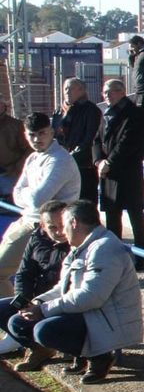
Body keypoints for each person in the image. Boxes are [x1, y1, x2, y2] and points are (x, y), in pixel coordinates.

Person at [7, 200, 143, 382]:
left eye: (64, 226)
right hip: (88, 313)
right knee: (18, 321)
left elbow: (91, 297)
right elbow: (62, 288)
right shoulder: (81, 246)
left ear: (74, 223)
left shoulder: (105, 248)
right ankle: (76, 353)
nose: (62, 232)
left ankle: (100, 357)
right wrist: (37, 303)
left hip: (105, 319)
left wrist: (43, 310)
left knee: (44, 330)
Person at [0, 114, 81, 281]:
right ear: (25, 134)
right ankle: (16, 306)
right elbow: (16, 194)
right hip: (30, 221)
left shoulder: (60, 160)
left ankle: (11, 307)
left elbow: (38, 200)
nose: (36, 139)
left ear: (52, 132)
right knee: (23, 279)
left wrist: (27, 194)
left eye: (42, 133)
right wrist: (29, 196)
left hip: (50, 228)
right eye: (32, 134)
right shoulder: (33, 158)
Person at [0, 200, 71, 357]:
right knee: (5, 309)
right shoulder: (36, 238)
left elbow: (71, 288)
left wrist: (39, 304)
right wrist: (23, 300)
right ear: (43, 226)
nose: (60, 232)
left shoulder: (77, 244)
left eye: (62, 225)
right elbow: (24, 273)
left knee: (28, 324)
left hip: (59, 301)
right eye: (53, 227)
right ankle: (38, 349)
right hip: (37, 298)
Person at [93, 78, 144, 262]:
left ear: (122, 92)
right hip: (109, 172)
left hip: (128, 171)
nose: (107, 96)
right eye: (104, 93)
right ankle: (114, 257)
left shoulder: (135, 114)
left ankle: (142, 257)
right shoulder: (106, 114)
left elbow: (128, 143)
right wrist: (99, 161)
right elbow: (96, 140)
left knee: (135, 213)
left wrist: (109, 162)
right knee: (112, 214)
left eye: (110, 92)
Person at [56, 77, 101, 204]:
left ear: (81, 90)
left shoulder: (91, 110)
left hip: (83, 165)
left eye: (70, 88)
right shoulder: (59, 111)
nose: (66, 91)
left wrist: (70, 157)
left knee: (85, 204)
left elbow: (90, 138)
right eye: (65, 88)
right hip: (63, 163)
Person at [0, 96, 26, 197]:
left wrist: (16, 168)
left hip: (9, 175)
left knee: (11, 207)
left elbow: (28, 149)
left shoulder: (16, 126)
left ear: (4, 106)